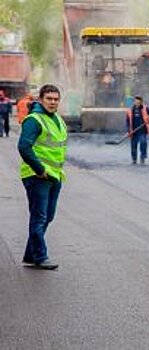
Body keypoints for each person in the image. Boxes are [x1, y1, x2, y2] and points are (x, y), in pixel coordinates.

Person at [17, 84, 68, 270]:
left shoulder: (58, 120)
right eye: (49, 98)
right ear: (41, 99)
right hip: (38, 176)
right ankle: (40, 256)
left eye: (56, 99)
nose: (53, 102)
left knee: (48, 216)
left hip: (55, 176)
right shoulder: (34, 120)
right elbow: (24, 146)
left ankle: (31, 255)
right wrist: (39, 169)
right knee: (39, 217)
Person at [126, 95, 149, 164]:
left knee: (143, 142)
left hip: (142, 131)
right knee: (133, 146)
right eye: (136, 101)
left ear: (141, 102)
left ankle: (142, 157)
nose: (137, 102)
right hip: (133, 131)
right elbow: (127, 121)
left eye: (139, 101)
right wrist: (128, 131)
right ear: (134, 102)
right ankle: (134, 159)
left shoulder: (145, 108)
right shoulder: (130, 110)